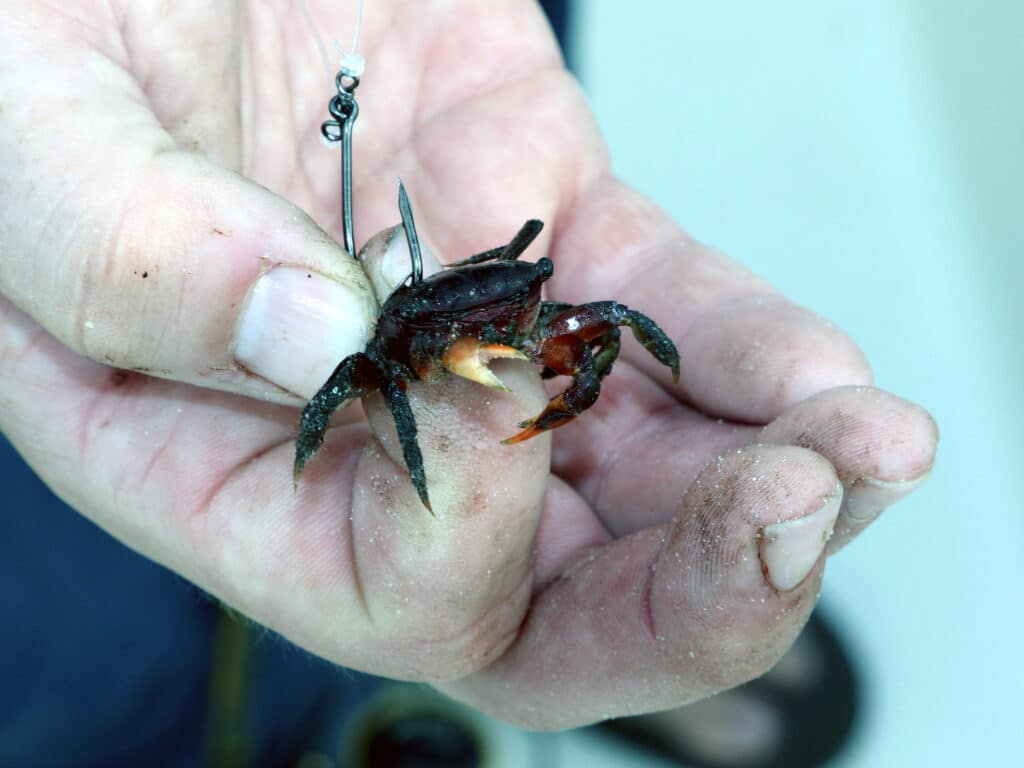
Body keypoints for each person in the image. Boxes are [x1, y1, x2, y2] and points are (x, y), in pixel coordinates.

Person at [0, 0, 937, 760]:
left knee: (600, 345)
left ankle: (588, 602)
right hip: (372, 335)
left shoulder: (525, 296)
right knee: (112, 643)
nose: (524, 316)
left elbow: (609, 327)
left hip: (456, 45)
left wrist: (561, 371)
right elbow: (349, 382)